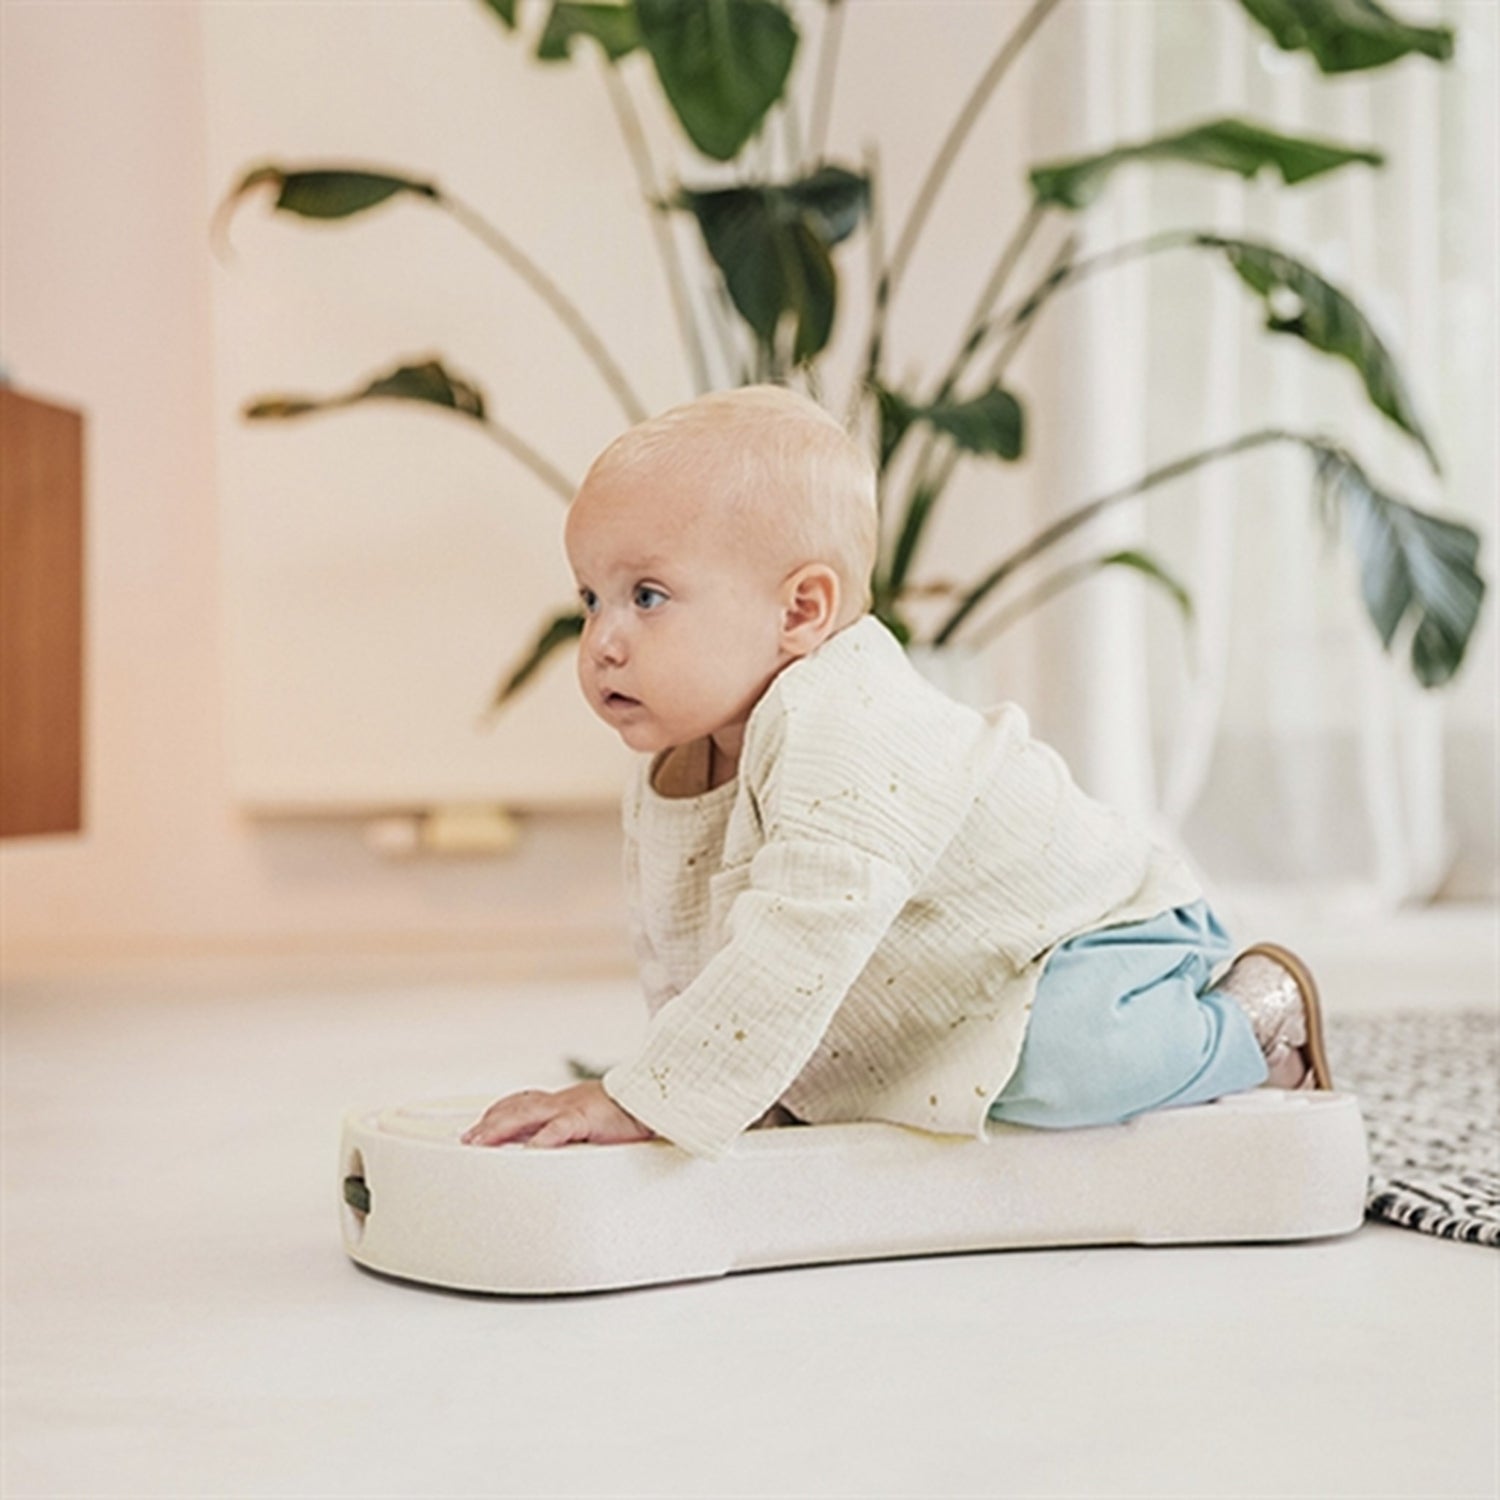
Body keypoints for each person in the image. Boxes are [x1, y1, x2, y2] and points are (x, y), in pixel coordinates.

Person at [463, 385, 1332, 1158]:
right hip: (951, 982)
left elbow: (806, 925)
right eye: (591, 599)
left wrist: (650, 1097)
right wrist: (686, 1097)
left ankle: (1256, 1023)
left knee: (1067, 1062)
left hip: (1089, 942)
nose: (602, 641)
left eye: (646, 596)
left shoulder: (843, 716)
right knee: (885, 1083)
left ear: (800, 611)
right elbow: (688, 952)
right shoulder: (678, 758)